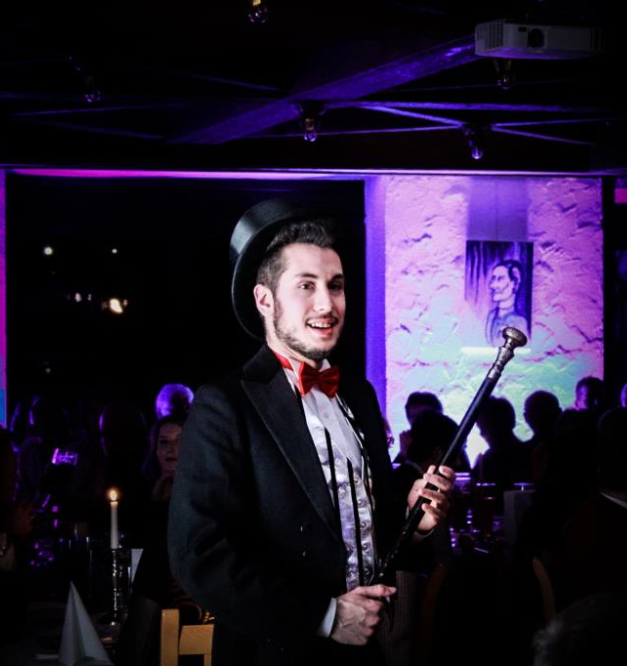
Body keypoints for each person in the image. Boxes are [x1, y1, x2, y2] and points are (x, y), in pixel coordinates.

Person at [168, 200, 454, 666]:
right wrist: (326, 617)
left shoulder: (358, 395)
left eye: (335, 285)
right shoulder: (225, 405)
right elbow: (199, 555)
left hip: (366, 656)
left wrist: (415, 523)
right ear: (265, 300)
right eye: (306, 286)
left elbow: (366, 535)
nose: (327, 304)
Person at [485, 259, 528, 347]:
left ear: (514, 283)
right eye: (493, 279)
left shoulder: (520, 322)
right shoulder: (491, 316)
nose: (492, 285)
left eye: (500, 279)